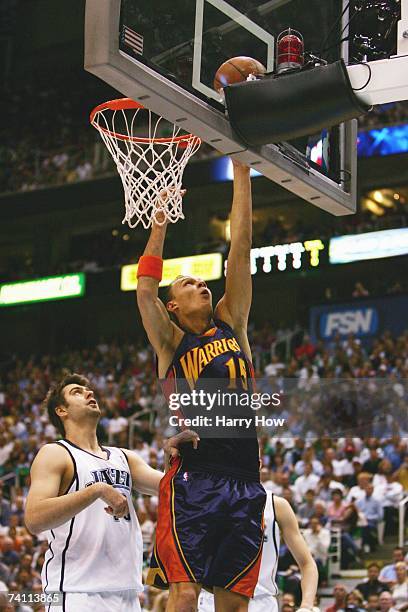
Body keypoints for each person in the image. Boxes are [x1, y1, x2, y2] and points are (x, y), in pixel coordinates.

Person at [137, 161, 267, 612]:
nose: (202, 285)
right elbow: (144, 288)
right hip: (194, 477)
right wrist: (159, 222)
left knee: (234, 599)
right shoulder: (172, 343)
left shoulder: (233, 323)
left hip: (246, 478)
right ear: (173, 305)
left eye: (202, 280)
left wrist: (243, 168)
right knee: (186, 591)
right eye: (189, 284)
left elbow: (242, 248)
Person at [24, 373, 194, 612]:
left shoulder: (124, 457)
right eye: (77, 392)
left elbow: (174, 489)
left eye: (89, 390)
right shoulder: (55, 453)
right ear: (61, 411)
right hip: (78, 593)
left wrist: (172, 457)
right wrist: (97, 490)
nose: (89, 393)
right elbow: (34, 519)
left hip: (127, 593)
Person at [196, 492, 318, 612]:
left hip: (261, 602)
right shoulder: (208, 498)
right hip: (211, 600)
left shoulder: (276, 505)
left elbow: (307, 564)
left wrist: (306, 606)